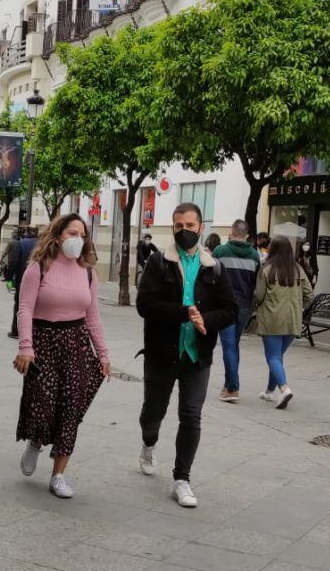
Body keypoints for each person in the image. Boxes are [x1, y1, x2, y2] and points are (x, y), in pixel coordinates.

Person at [136, 202, 237, 508]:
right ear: (173, 227)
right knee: (153, 411)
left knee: (191, 416)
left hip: (197, 356)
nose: (184, 231)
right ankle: (149, 442)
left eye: (190, 226)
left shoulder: (214, 268)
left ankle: (182, 479)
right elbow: (144, 304)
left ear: (201, 228)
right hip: (161, 354)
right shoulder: (158, 263)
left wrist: (207, 319)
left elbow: (230, 309)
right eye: (179, 226)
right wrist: (183, 313)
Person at [13, 213, 110, 499]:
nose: (78, 240)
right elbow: (25, 309)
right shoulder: (38, 267)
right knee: (41, 403)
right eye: (72, 233)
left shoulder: (88, 272)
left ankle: (58, 474)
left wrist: (103, 354)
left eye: (82, 235)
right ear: (57, 236)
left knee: (71, 409)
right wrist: (25, 346)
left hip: (76, 344)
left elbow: (92, 316)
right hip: (44, 342)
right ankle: (36, 441)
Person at [254, 236, 313, 409]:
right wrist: (299, 306)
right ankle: (269, 391)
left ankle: (284, 388)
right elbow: (309, 294)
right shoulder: (298, 270)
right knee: (277, 357)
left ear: (272, 249)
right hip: (292, 320)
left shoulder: (266, 270)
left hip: (272, 319)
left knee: (273, 357)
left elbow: (259, 296)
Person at [212, 220, 261, 403]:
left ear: (231, 232)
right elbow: (256, 283)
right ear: (247, 235)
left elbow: (211, 276)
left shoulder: (220, 251)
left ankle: (232, 388)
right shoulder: (254, 255)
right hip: (244, 306)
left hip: (224, 305)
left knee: (228, 346)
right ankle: (228, 385)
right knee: (234, 344)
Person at [6, 226, 39, 338]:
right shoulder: (43, 245)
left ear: (25, 232)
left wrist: (9, 277)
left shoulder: (20, 244)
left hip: (22, 280)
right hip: (40, 281)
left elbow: (13, 262)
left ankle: (16, 330)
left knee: (20, 306)